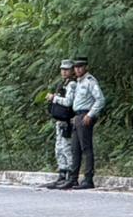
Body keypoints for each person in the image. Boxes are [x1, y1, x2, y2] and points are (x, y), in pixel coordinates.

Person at [59, 56, 105, 190]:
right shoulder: (78, 82)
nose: (78, 69)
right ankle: (73, 179)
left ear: (86, 67)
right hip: (78, 116)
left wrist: (90, 114)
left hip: (85, 115)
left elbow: (100, 99)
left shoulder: (90, 81)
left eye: (80, 67)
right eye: (76, 67)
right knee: (75, 149)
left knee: (86, 148)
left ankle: (88, 179)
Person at [43, 59, 76, 189]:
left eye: (67, 69)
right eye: (62, 69)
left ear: (72, 71)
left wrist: (54, 98)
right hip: (60, 121)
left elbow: (68, 102)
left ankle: (70, 176)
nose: (64, 72)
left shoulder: (72, 84)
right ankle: (62, 175)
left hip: (68, 121)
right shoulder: (63, 84)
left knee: (67, 148)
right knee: (59, 149)